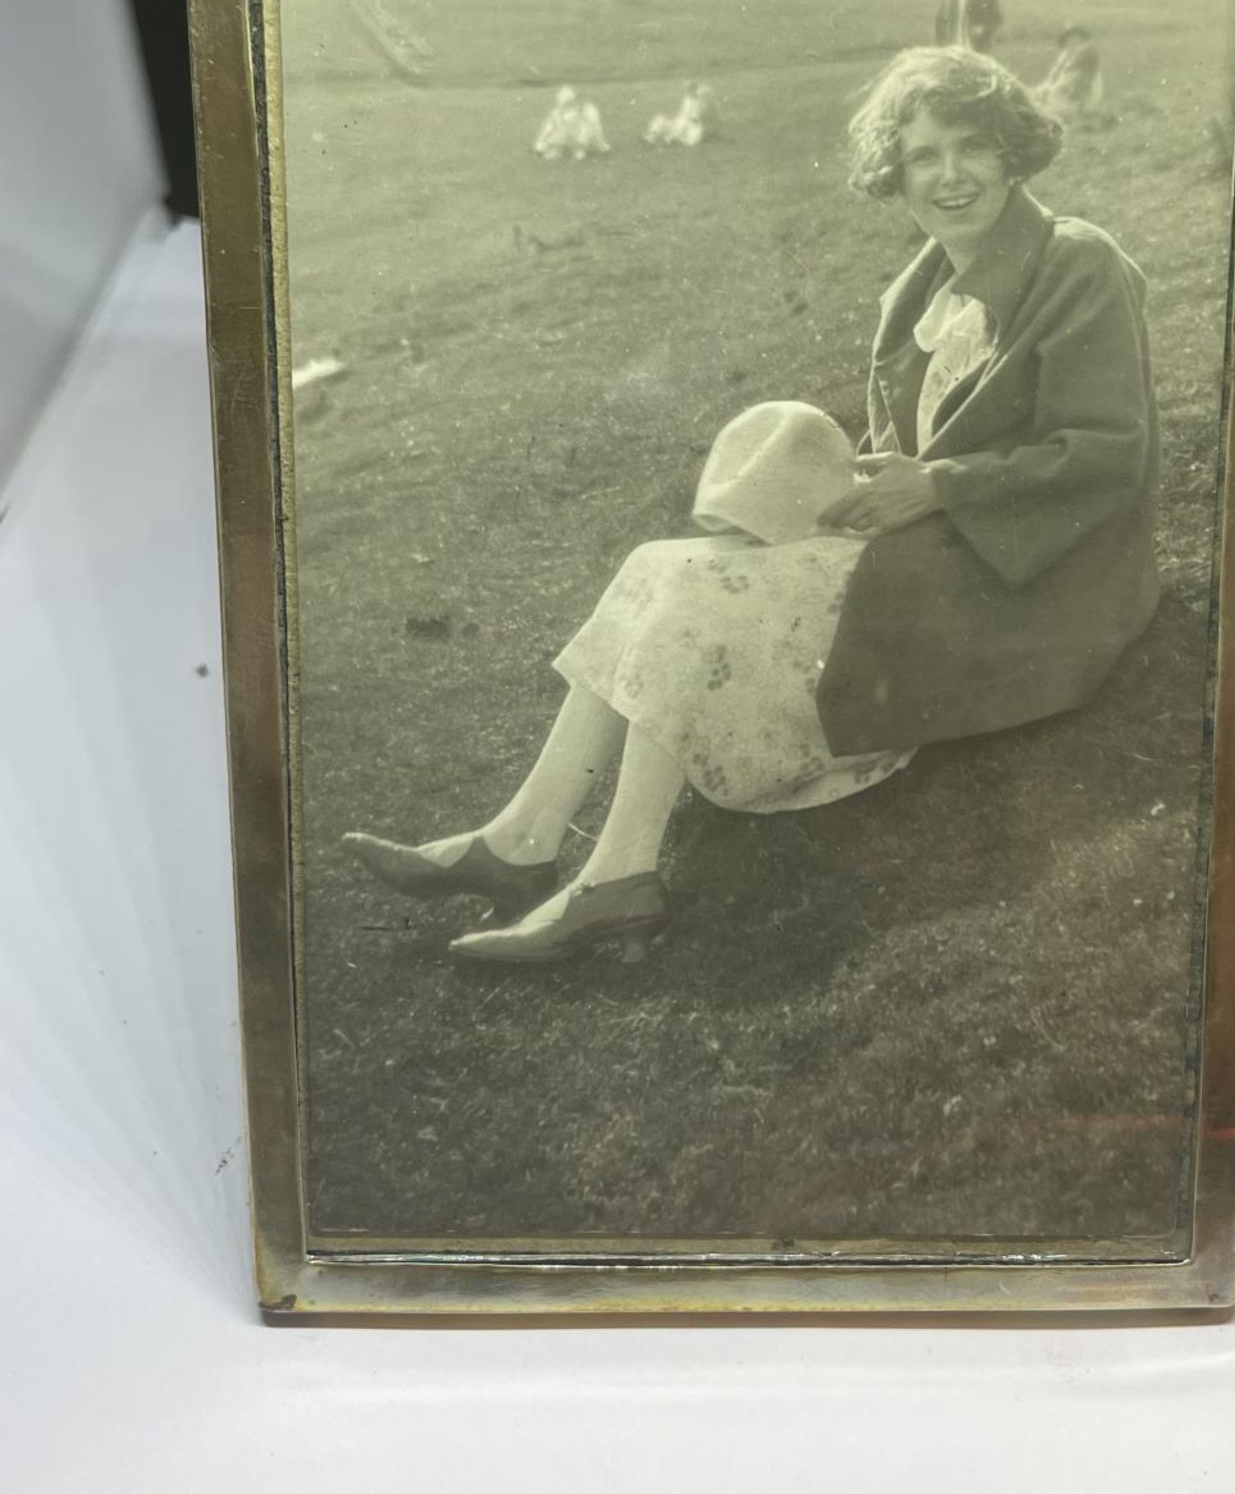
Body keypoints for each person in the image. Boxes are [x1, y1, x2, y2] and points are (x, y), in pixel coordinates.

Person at [347, 47, 1161, 965]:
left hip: (1035, 580)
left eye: (971, 148)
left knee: (705, 596)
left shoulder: (1078, 264)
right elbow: (930, 444)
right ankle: (523, 839)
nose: (949, 176)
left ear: (1013, 152)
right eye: (924, 156)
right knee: (656, 565)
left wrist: (935, 485)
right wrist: (869, 480)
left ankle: (616, 875)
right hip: (941, 543)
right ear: (895, 174)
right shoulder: (918, 292)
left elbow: (1107, 455)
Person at [1033, 24, 1111, 126]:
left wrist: (1059, 90)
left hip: (1083, 92)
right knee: (1038, 96)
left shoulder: (1088, 50)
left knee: (1047, 108)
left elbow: (1076, 77)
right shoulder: (1068, 53)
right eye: (1068, 38)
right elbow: (1055, 76)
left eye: (1075, 37)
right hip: (1068, 89)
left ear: (1081, 37)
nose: (1071, 40)